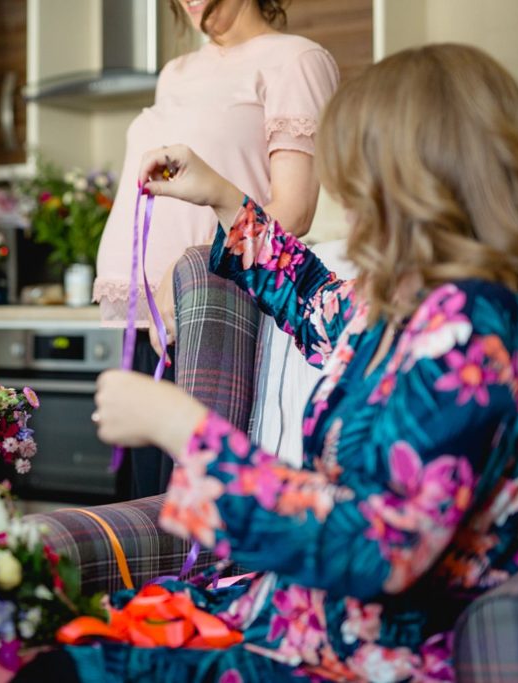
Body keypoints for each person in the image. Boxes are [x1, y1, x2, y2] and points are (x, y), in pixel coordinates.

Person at [25, 44, 518, 681]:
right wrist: (223, 199)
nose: (352, 205)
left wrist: (185, 427)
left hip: (366, 655)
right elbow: (319, 305)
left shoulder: (477, 334)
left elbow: (380, 550)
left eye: (361, 181)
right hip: (304, 617)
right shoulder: (424, 307)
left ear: (418, 181)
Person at [93, 0, 339, 498]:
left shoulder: (296, 60)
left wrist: (188, 268)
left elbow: (293, 212)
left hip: (209, 309)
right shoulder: (175, 72)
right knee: (142, 511)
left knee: (188, 514)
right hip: (146, 322)